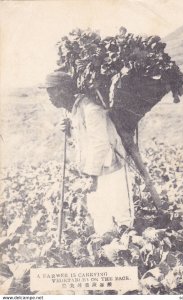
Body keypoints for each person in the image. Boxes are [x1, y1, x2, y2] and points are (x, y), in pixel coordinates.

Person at [45, 70, 134, 236]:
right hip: (93, 172)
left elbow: (101, 144)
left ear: (63, 90)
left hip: (111, 170)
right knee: (100, 218)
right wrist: (69, 132)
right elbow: (83, 141)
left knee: (121, 216)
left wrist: (91, 177)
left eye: (51, 91)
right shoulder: (74, 111)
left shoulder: (91, 109)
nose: (49, 97)